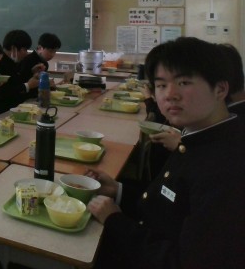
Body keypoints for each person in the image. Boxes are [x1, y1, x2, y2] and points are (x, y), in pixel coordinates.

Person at [86, 37, 245, 268]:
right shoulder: (197, 137)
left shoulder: (229, 167)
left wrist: (114, 220)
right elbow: (166, 206)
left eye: (184, 82)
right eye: (161, 85)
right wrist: (118, 190)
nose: (170, 94)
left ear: (220, 89)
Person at [0, 29, 44, 111]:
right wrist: (28, 85)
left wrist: (32, 72)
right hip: (4, 111)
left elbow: (18, 81)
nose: (26, 53)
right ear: (13, 48)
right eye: (25, 49)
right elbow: (5, 92)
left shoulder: (13, 61)